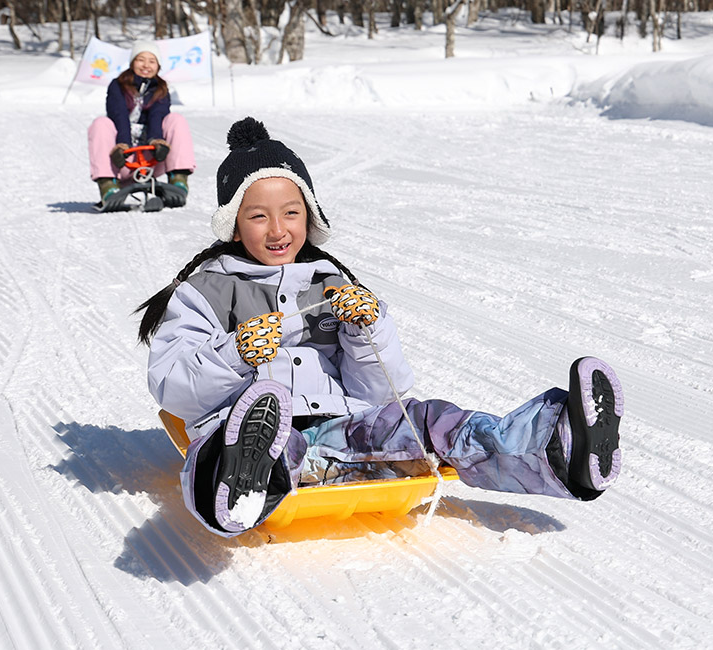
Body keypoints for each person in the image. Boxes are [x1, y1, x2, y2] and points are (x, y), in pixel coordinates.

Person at [136, 117, 625, 536]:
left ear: (310, 213)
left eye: (291, 212)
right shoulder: (206, 291)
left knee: (425, 417)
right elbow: (173, 388)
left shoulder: (331, 283)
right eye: (258, 216)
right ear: (233, 222)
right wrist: (235, 353)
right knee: (256, 438)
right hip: (257, 435)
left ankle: (556, 450)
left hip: (340, 434)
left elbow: (379, 392)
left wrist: (364, 328)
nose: (278, 230)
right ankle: (240, 485)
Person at [87, 39, 195, 206]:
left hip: (151, 158)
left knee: (175, 119)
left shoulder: (161, 88)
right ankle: (108, 186)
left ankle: (178, 180)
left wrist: (156, 141)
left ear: (158, 67)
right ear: (132, 62)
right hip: (121, 159)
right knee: (101, 123)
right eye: (141, 59)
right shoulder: (118, 85)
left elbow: (157, 115)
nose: (146, 65)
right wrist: (123, 145)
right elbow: (119, 114)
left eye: (152, 61)